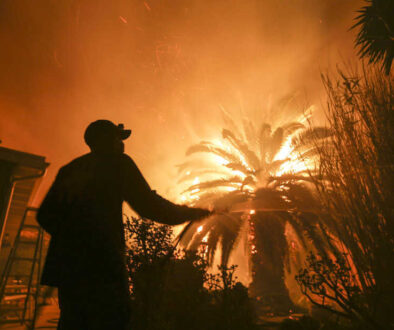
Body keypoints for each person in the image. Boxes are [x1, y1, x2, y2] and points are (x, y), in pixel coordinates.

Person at [37, 120, 212, 330]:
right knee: (113, 319)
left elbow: (45, 216)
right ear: (107, 140)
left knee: (74, 322)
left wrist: (72, 239)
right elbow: (149, 206)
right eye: (118, 139)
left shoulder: (70, 170)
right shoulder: (117, 164)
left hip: (70, 270)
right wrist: (190, 213)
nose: (122, 144)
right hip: (104, 265)